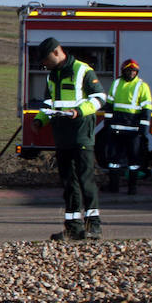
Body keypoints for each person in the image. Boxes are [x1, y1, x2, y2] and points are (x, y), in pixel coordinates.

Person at [32, 37, 107, 240]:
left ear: (57, 52)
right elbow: (48, 104)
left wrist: (78, 111)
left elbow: (100, 98)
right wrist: (40, 120)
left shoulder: (83, 70)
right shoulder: (52, 76)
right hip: (62, 135)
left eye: (46, 59)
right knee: (68, 182)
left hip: (81, 133)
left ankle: (94, 226)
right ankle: (74, 227)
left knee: (85, 179)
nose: (44, 64)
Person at [104, 58, 152, 195]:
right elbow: (109, 105)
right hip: (116, 129)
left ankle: (132, 188)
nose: (131, 73)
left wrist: (144, 129)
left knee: (134, 161)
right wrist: (108, 124)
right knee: (113, 160)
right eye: (129, 70)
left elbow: (146, 109)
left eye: (134, 71)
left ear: (137, 72)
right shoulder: (116, 84)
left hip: (133, 131)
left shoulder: (142, 86)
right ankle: (114, 187)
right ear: (123, 71)